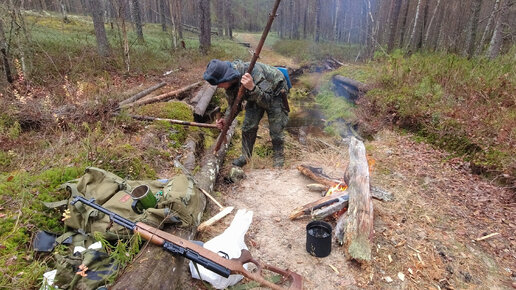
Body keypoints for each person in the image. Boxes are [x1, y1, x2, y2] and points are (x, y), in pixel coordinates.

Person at [203, 59, 290, 168]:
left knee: (276, 128)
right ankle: (246, 156)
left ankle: (279, 157)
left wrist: (252, 87)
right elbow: (234, 105)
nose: (218, 86)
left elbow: (268, 102)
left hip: (275, 92)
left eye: (219, 83)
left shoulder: (254, 73)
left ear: (226, 77)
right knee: (248, 126)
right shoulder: (230, 83)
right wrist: (226, 120)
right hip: (254, 93)